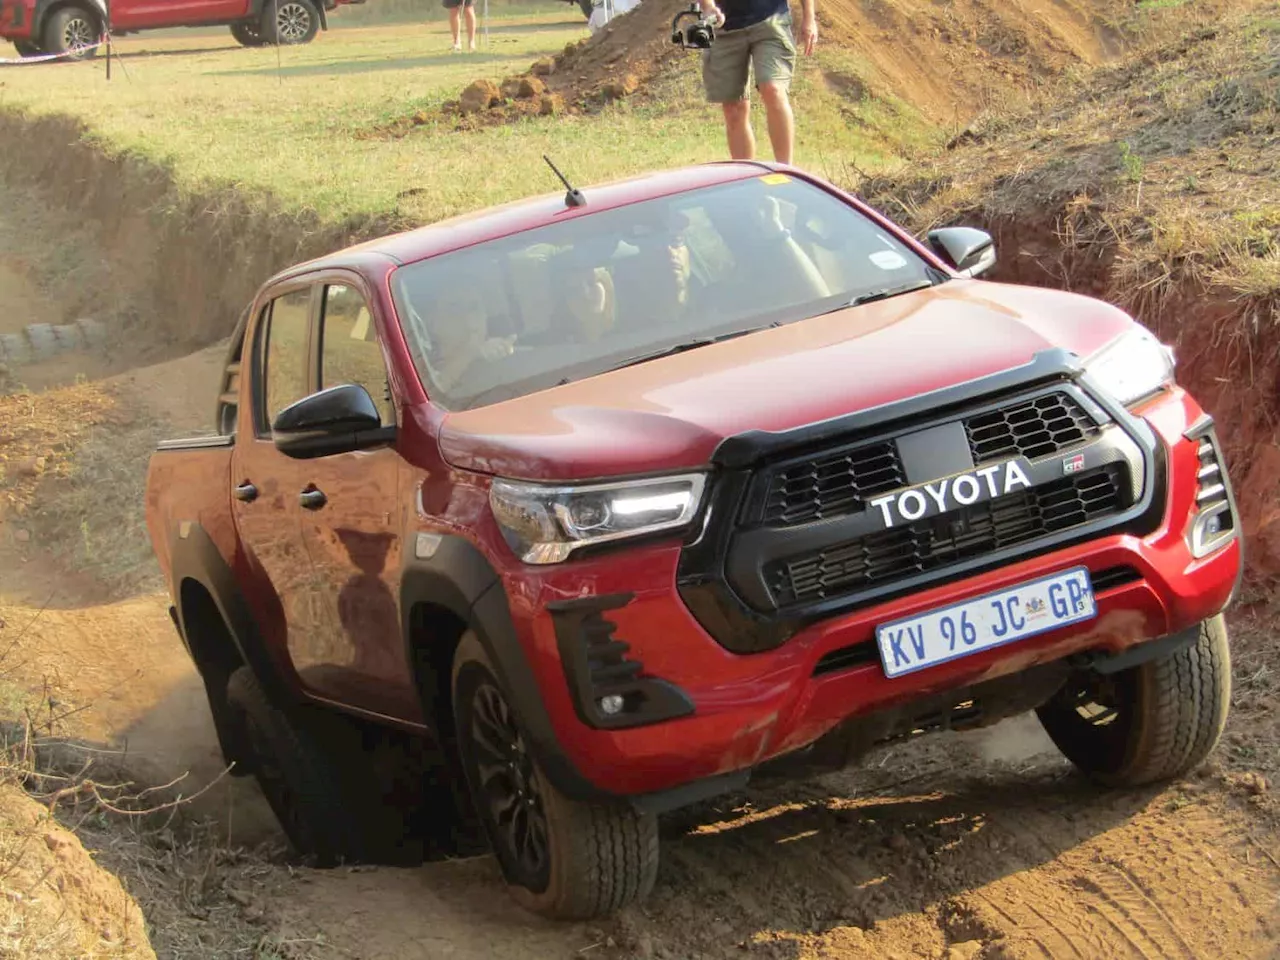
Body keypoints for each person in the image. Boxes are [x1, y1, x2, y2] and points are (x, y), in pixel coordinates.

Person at [696, 0, 817, 165]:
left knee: (773, 90)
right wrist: (708, 7)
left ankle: (785, 173)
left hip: (770, 21)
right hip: (724, 27)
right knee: (734, 110)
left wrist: (809, 17)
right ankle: (746, 180)